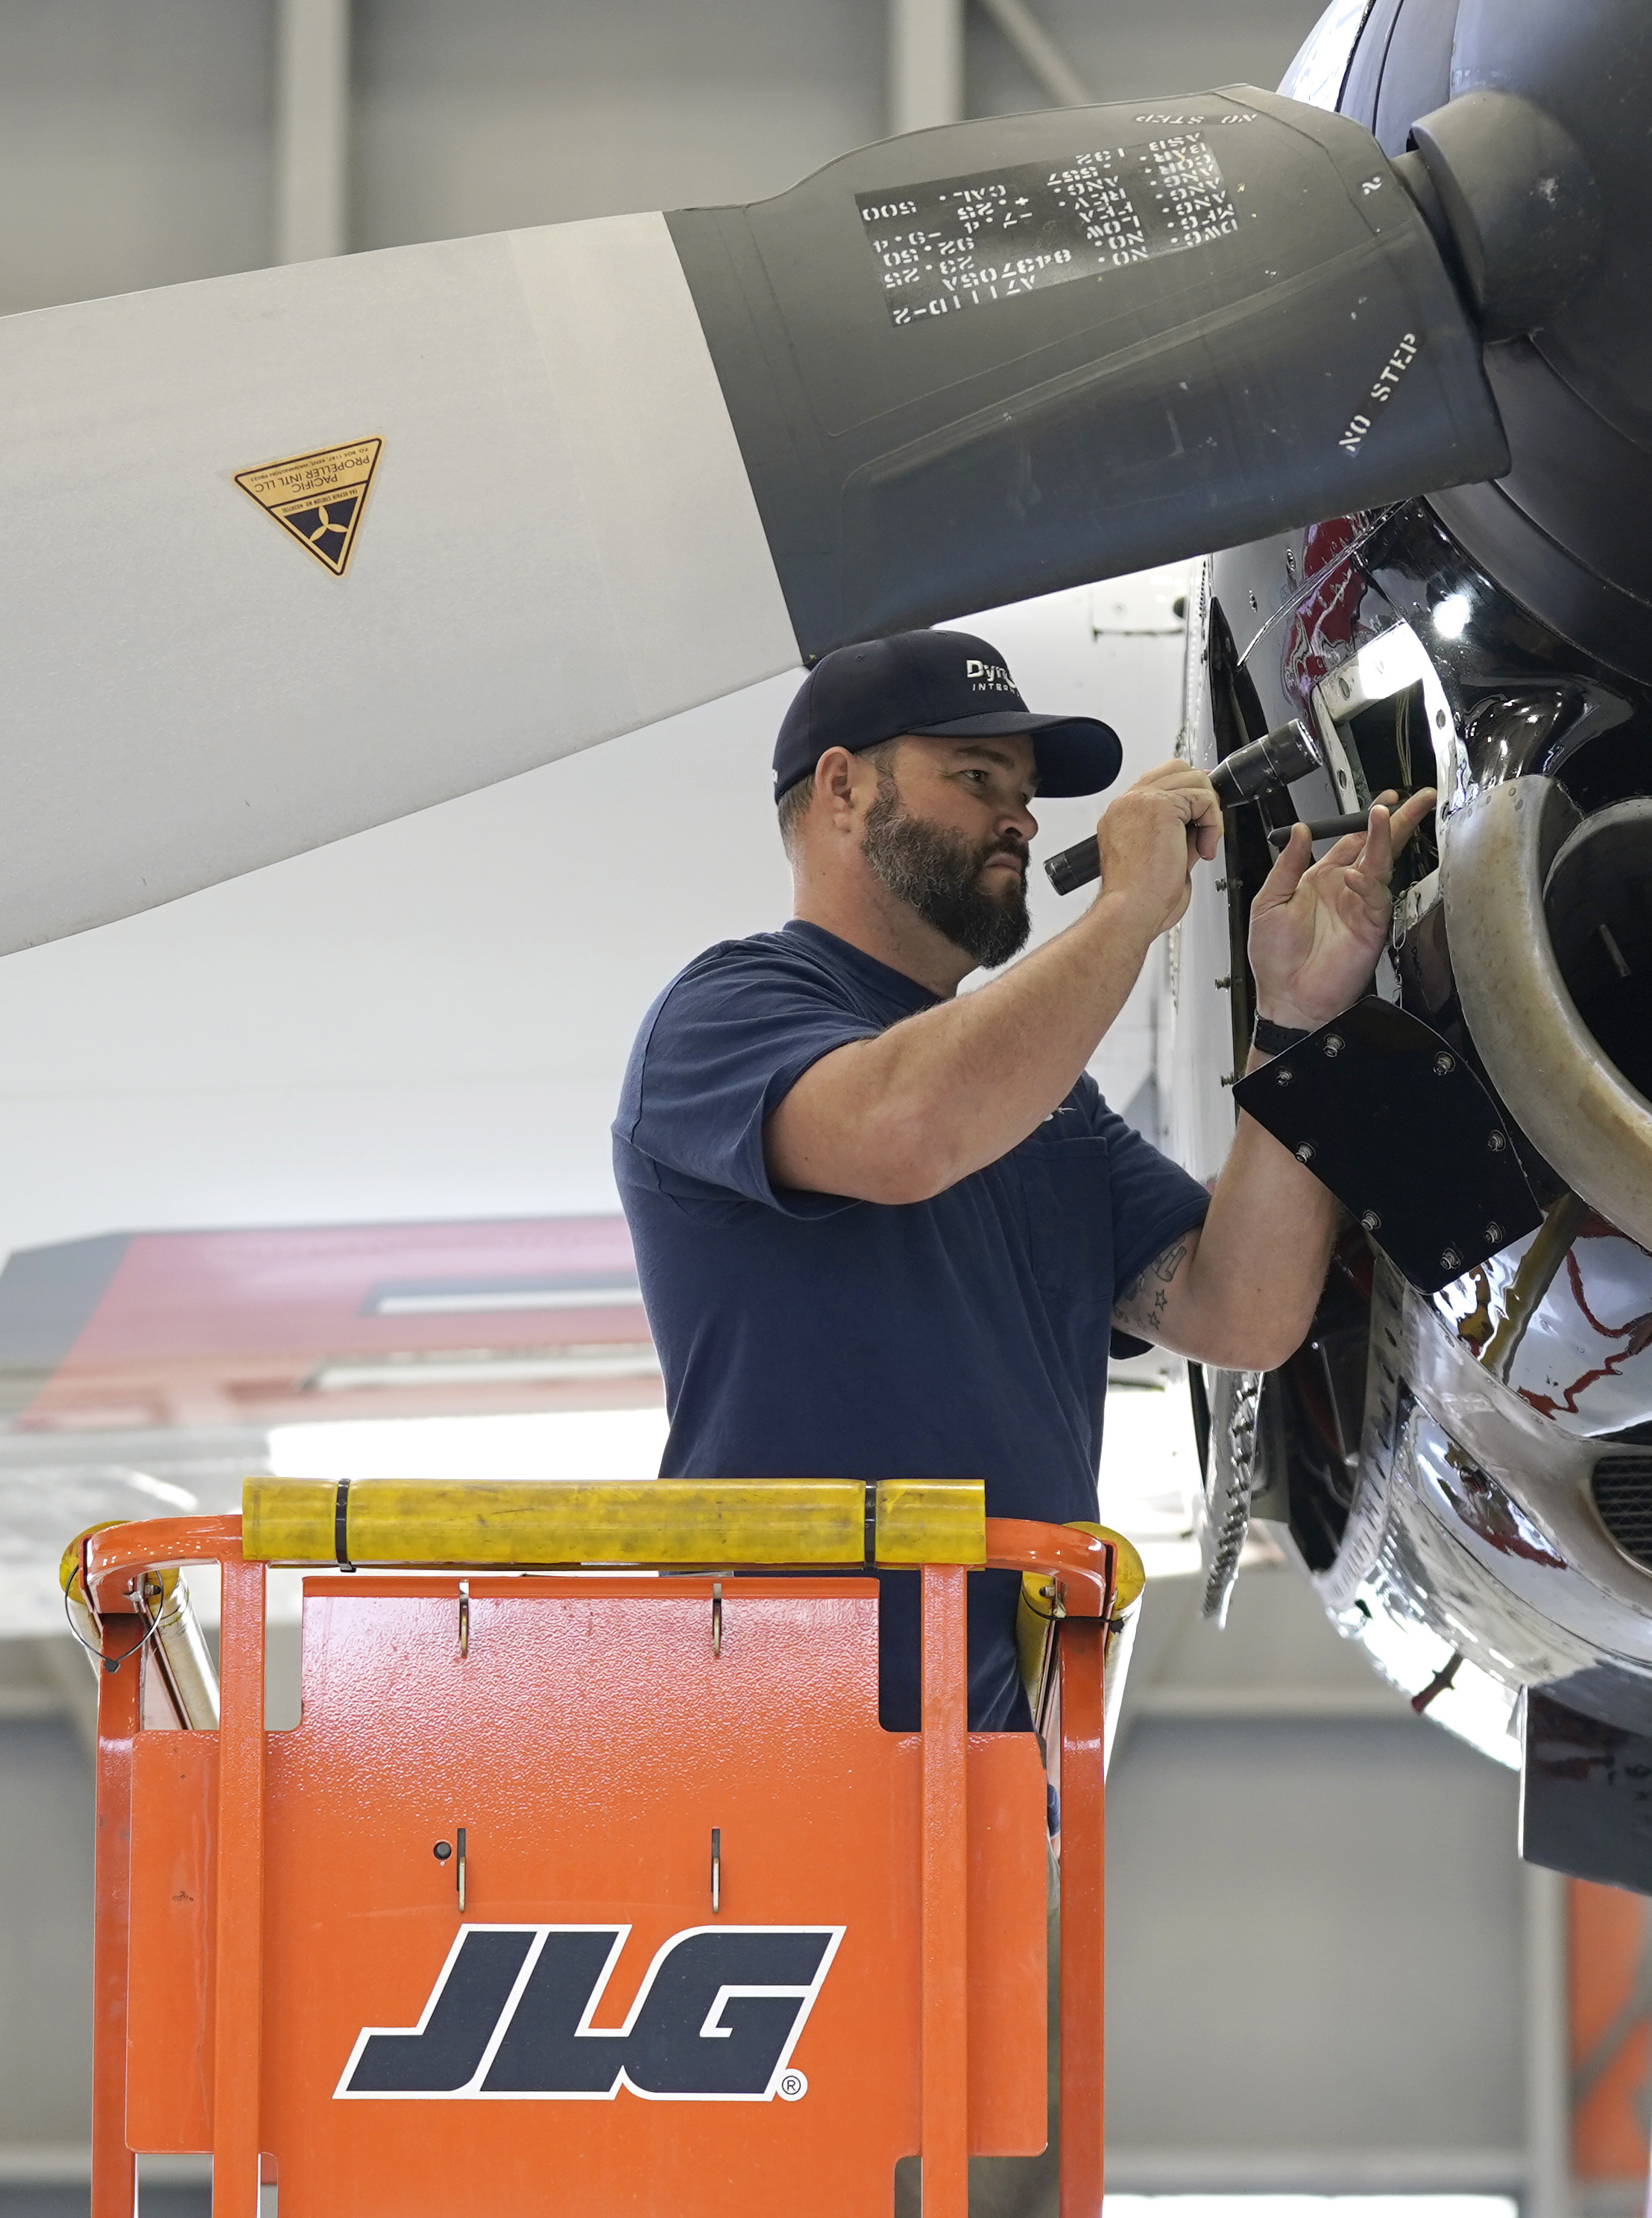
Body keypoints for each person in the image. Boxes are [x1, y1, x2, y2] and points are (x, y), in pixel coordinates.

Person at [612, 626, 1431, 1734]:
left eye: (1028, 790)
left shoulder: (1050, 1104)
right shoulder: (725, 1015)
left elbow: (1244, 1310)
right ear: (843, 789)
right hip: (767, 1738)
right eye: (975, 776)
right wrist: (1127, 910)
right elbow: (907, 1130)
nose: (1022, 816)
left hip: (988, 1761)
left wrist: (1296, 1018)